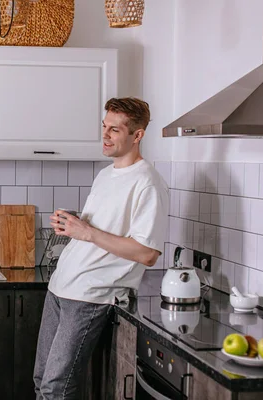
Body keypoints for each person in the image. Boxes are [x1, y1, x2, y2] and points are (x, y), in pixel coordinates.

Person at [33, 97, 169, 399]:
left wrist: (87, 231)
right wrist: (75, 223)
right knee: (42, 380)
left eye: (115, 130)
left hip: (91, 296)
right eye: (104, 127)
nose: (105, 136)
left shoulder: (148, 183)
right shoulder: (106, 174)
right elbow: (101, 230)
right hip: (61, 288)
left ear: (137, 135)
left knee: (56, 389)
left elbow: (147, 254)